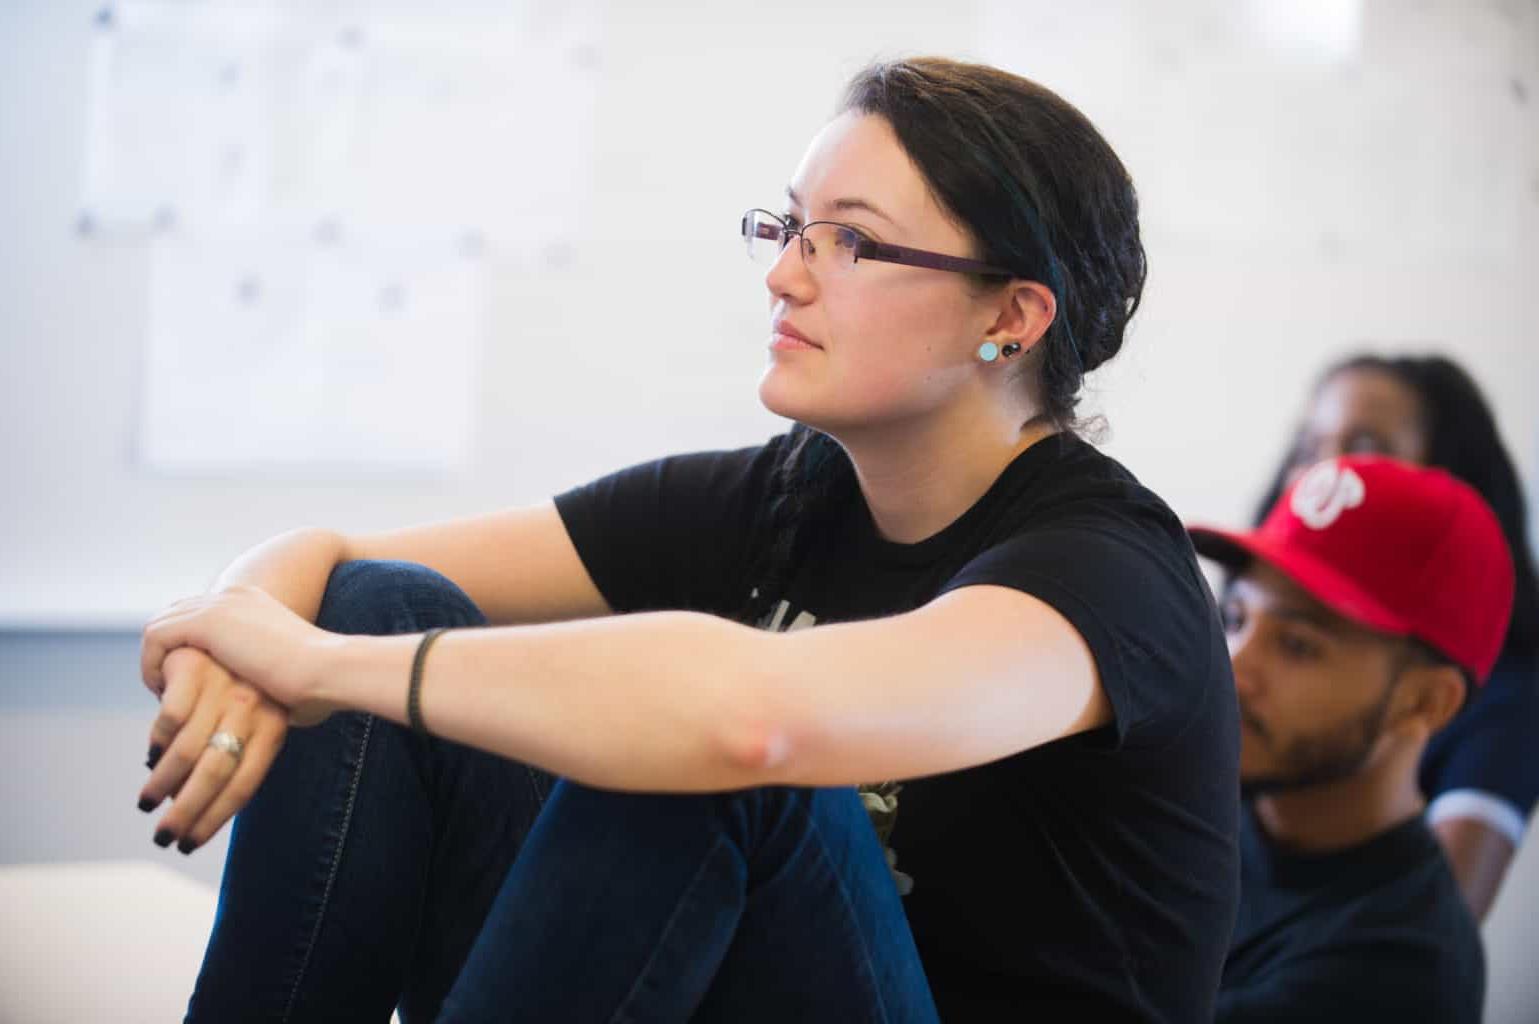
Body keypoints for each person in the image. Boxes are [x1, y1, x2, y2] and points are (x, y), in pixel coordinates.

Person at [135, 58, 1240, 1022]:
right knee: (385, 601)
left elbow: (750, 726)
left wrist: (319, 668)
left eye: (849, 241)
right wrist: (241, 630)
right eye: (791, 225)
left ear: (1010, 317)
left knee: (711, 745)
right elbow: (333, 564)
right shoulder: (785, 497)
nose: (783, 272)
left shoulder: (1112, 575)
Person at [1192, 455, 1514, 1022]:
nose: (1232, 668)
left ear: (1424, 702)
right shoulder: (1196, 799)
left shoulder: (1400, 968)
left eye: (1298, 645)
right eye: (1237, 618)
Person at [1255, 354, 1539, 919]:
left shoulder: (1507, 695)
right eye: (1310, 449)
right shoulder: (1248, 630)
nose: (1326, 475)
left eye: (1365, 447)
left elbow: (1440, 926)